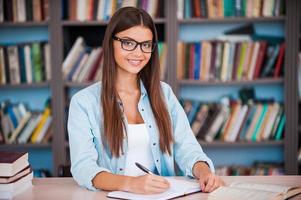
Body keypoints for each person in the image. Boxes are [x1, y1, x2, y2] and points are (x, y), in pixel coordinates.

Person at [68, 6, 224, 195]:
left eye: (146, 45)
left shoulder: (163, 93)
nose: (138, 53)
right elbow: (83, 168)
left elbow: (188, 148)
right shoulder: (83, 103)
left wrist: (204, 172)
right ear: (111, 43)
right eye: (128, 43)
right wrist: (131, 184)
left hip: (162, 196)